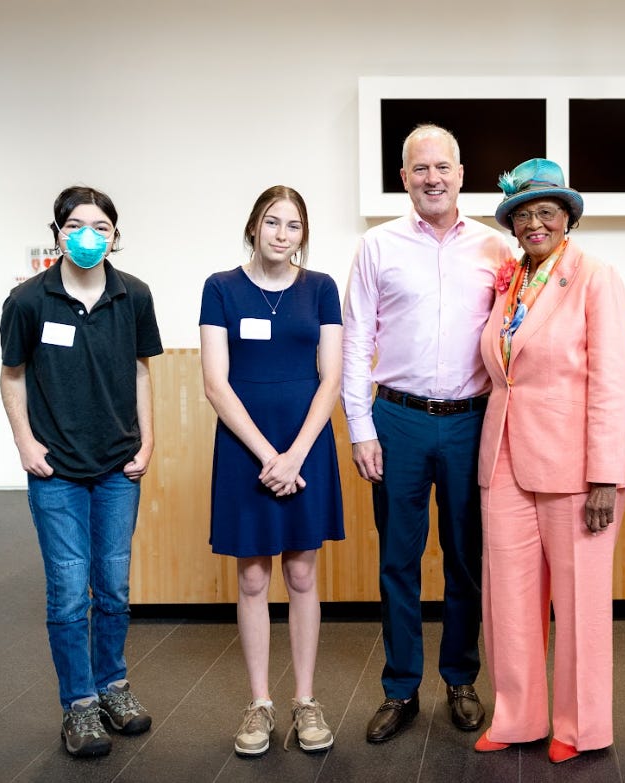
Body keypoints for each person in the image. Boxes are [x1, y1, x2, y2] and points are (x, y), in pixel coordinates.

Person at [342, 124, 513, 742]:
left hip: (472, 420)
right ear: (404, 178)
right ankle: (400, 687)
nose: (432, 178)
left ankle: (462, 679)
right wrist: (361, 428)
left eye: (443, 167)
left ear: (462, 175)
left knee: (468, 559)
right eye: (420, 169)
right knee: (398, 559)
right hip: (398, 420)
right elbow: (358, 338)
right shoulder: (376, 246)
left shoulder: (499, 250)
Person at [471, 158, 625, 763]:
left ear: (567, 217)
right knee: (508, 600)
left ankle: (579, 726)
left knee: (581, 602)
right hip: (504, 457)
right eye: (524, 214)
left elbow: (612, 379)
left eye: (547, 211)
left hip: (578, 469)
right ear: (513, 224)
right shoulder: (510, 279)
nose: (535, 222)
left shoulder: (595, 276)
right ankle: (516, 717)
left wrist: (604, 474)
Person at [0, 186, 161, 757]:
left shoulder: (134, 295)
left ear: (115, 235)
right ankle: (79, 704)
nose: (87, 234)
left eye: (98, 225)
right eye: (75, 225)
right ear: (58, 233)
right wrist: (24, 442)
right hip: (56, 472)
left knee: (113, 586)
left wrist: (148, 440)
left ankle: (113, 685)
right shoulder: (26, 301)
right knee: (70, 591)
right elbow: (12, 375)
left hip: (119, 465)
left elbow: (142, 372)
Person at [200, 185, 344, 756]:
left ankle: (305, 701)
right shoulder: (221, 288)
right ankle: (259, 703)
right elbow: (216, 383)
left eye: (293, 225)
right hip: (246, 449)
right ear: (253, 227)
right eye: (271, 222)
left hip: (306, 446)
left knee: (303, 574)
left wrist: (296, 455)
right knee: (254, 577)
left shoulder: (322, 289)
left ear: (303, 234)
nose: (282, 234)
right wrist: (268, 457)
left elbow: (329, 377)